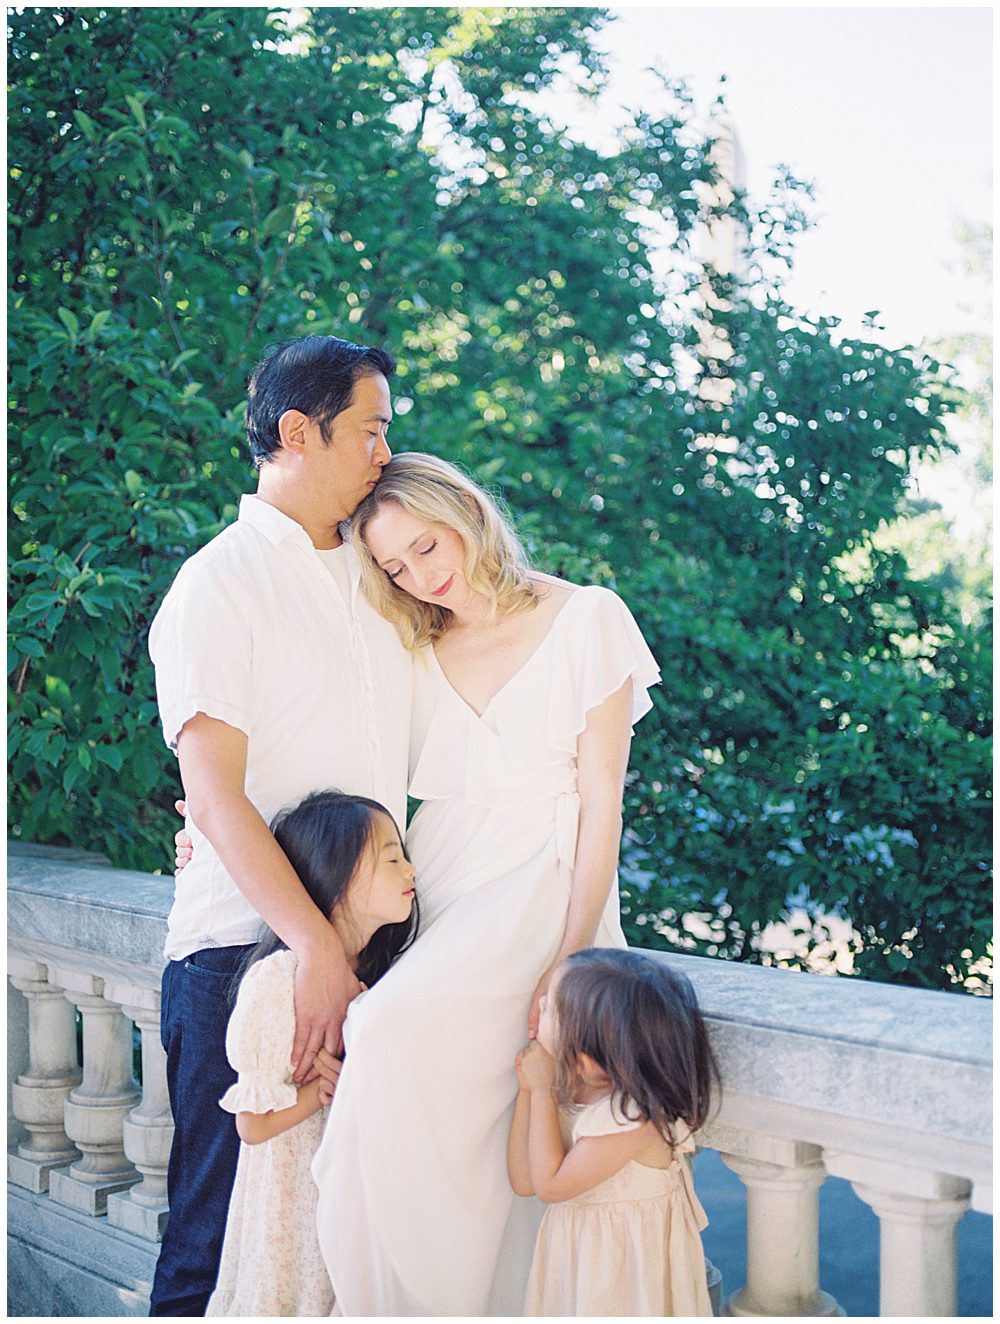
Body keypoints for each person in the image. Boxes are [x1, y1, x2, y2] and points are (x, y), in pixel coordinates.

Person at [311, 452, 663, 1315]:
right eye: (396, 567)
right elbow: (349, 769)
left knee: (389, 1026)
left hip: (542, 884)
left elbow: (603, 805)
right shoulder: (415, 646)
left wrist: (573, 957)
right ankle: (416, 1298)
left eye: (428, 548)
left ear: (468, 512)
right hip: (442, 880)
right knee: (454, 1111)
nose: (422, 577)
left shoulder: (588, 619)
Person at [147, 334, 410, 1315]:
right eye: (371, 431)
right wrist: (311, 944)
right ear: (300, 432)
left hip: (371, 951)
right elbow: (214, 796)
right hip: (240, 953)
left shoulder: (381, 572)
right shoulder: (216, 587)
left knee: (337, 1247)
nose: (385, 453)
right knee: (217, 1242)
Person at [206, 791, 418, 1317]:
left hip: (347, 1196)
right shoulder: (277, 985)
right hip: (288, 1208)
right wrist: (319, 1093)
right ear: (338, 877)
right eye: (391, 857)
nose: (410, 868)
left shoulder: (381, 981)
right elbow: (251, 1125)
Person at [508, 948, 719, 1317]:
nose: (540, 1002)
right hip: (582, 1260)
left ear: (586, 1049)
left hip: (627, 1271)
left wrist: (540, 1091)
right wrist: (530, 1091)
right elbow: (524, 1181)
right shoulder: (570, 1089)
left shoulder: (635, 1118)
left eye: (553, 1007)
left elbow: (551, 1187)